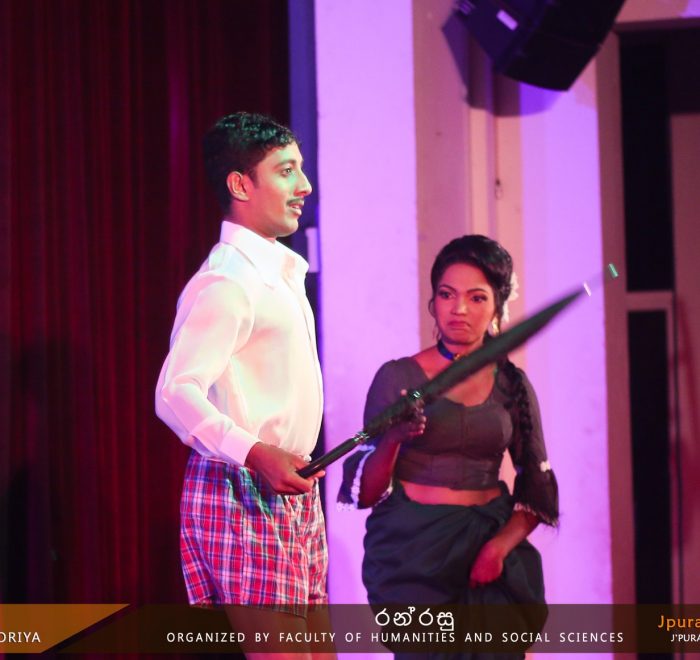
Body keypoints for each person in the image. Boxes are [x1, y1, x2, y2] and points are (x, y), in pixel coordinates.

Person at [156, 112, 334, 660]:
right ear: (240, 184)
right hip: (242, 486)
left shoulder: (279, 274)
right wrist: (255, 453)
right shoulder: (227, 282)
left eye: (300, 169)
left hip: (291, 487)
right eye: (285, 170)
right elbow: (174, 392)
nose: (304, 186)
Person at [338, 235, 558, 659]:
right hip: (415, 553)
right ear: (433, 302)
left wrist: (498, 547)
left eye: (476, 298)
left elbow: (538, 487)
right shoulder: (397, 376)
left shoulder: (512, 383)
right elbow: (365, 494)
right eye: (447, 294)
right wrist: (394, 439)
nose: (459, 309)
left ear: (498, 306)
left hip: (490, 546)